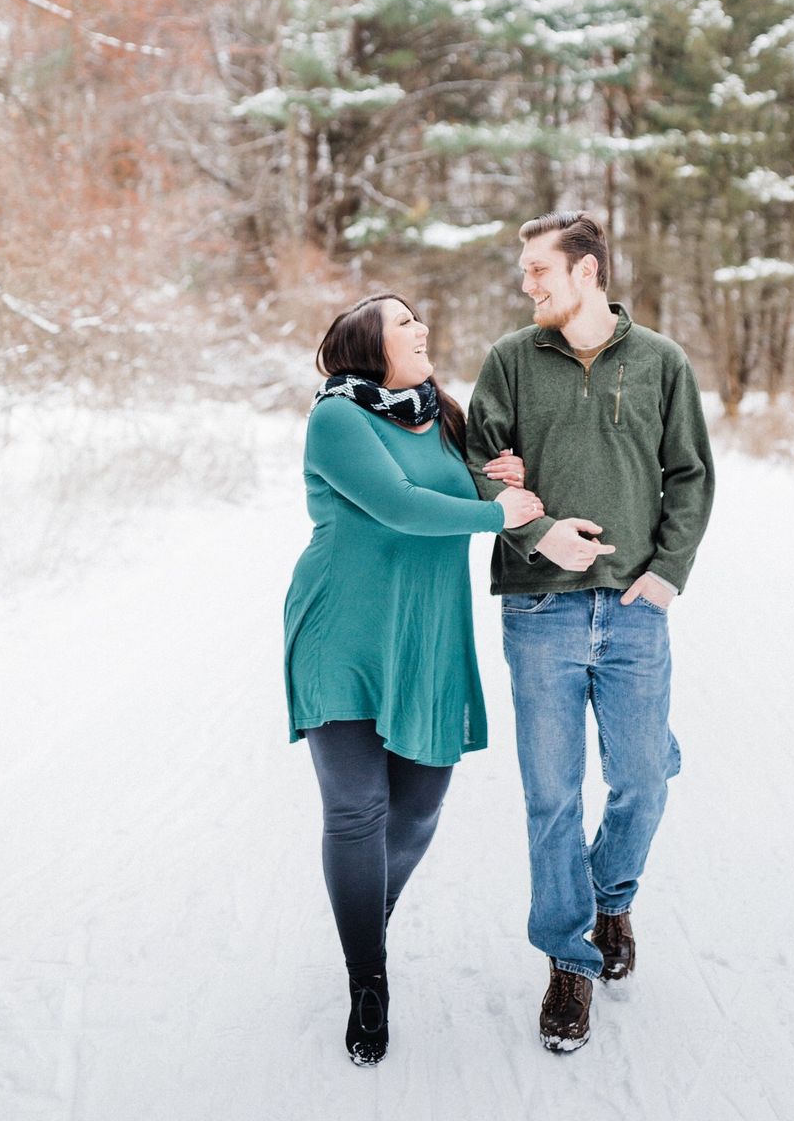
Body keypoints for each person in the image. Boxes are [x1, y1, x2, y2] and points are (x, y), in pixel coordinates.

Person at [466, 211, 715, 1052]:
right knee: (551, 796)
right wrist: (538, 533)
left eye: (540, 269)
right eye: (525, 271)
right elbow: (472, 464)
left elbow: (690, 475)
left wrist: (668, 574)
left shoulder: (660, 363)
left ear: (589, 273)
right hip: (537, 609)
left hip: (635, 609)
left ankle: (612, 898)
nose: (527, 283)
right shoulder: (508, 361)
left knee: (644, 777)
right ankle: (568, 959)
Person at [283, 292, 543, 1067]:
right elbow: (399, 506)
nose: (421, 328)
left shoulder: (447, 417)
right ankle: (369, 978)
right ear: (368, 344)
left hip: (426, 634)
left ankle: (369, 912)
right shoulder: (337, 417)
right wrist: (501, 517)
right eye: (403, 322)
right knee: (357, 808)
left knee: (421, 803)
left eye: (420, 319)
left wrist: (501, 480)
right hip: (343, 633)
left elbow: (471, 488)